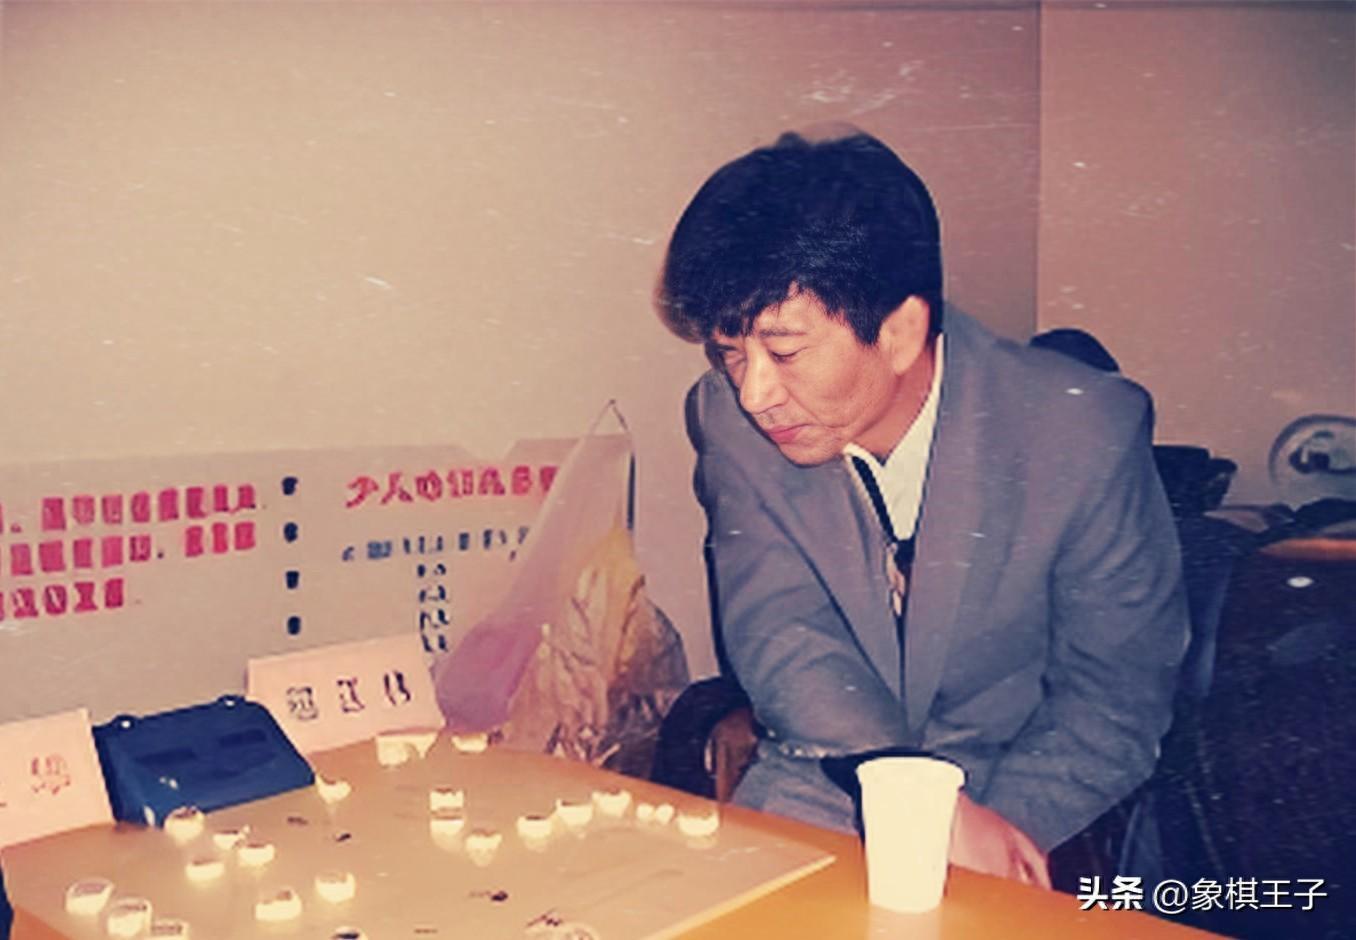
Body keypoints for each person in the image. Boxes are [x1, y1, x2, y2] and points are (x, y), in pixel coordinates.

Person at [655, 129, 1189, 886]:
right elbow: (781, 631)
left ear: (902, 331)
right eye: (731, 353)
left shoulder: (1082, 431)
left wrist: (988, 833)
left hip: (1026, 793)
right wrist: (910, 798)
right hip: (831, 771)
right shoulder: (728, 417)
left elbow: (1114, 698)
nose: (755, 393)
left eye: (785, 351)